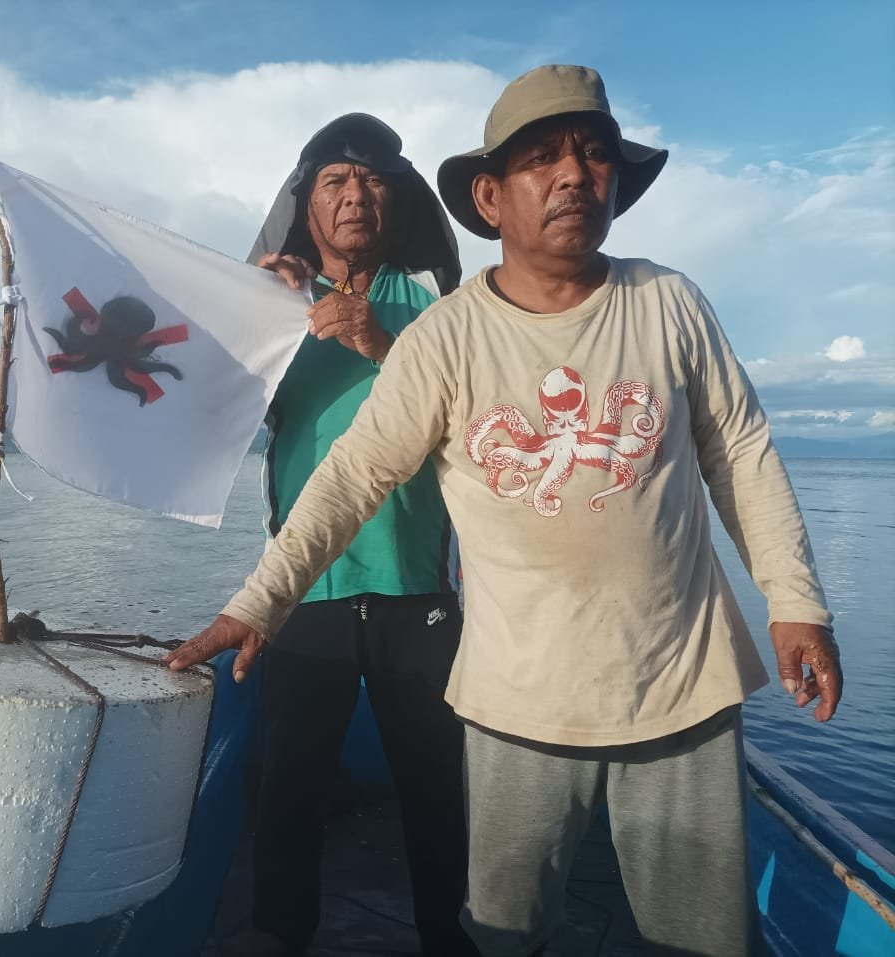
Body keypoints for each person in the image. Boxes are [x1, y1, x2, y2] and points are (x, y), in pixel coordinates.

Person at [169, 66, 843, 956]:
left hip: (680, 687)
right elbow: (349, 472)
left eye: (594, 155)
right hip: (514, 698)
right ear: (489, 197)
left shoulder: (666, 302)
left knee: (700, 938)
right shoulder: (446, 335)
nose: (573, 175)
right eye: (541, 159)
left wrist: (795, 601)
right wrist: (258, 601)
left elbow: (742, 451)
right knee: (502, 928)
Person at [222, 113, 475, 957]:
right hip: (306, 585)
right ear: (307, 203)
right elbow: (210, 407)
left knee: (438, 786)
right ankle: (276, 932)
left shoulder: (437, 301)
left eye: (370, 181)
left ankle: (453, 934)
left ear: (395, 200)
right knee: (289, 782)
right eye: (334, 180)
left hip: (417, 584)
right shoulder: (271, 301)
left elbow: (476, 415)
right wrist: (247, 310)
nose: (354, 195)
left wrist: (380, 340)